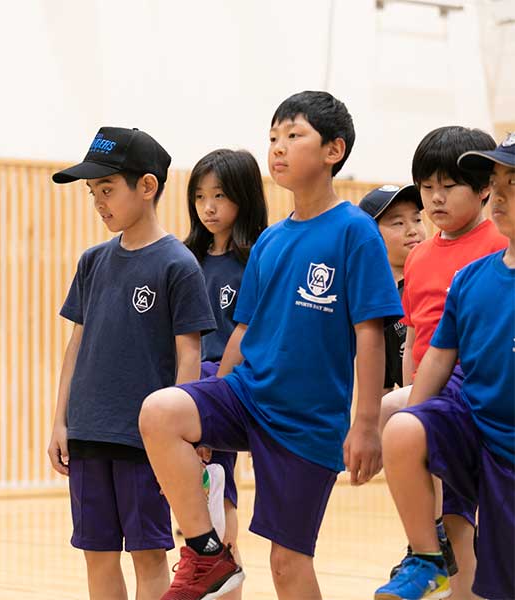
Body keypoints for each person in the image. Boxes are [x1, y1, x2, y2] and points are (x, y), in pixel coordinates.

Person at [140, 91, 402, 599]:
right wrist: (208, 403)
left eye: (293, 135)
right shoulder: (270, 241)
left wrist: (366, 425)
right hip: (247, 396)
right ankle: (207, 554)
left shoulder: (355, 232)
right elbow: (241, 331)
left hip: (308, 421)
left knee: (287, 563)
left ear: (333, 150)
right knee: (162, 411)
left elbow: (370, 335)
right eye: (273, 138)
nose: (278, 148)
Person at [47, 126, 217, 600]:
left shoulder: (177, 264)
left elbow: (190, 354)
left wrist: (187, 430)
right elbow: (76, 346)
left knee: (149, 557)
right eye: (93, 192)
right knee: (97, 557)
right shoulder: (92, 261)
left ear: (146, 187)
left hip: (144, 441)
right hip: (87, 433)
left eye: (108, 189)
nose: (100, 202)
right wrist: (60, 421)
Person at [374, 133, 515, 600]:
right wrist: (419, 410)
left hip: (491, 421)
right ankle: (427, 550)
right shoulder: (452, 270)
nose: (500, 194)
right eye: (498, 181)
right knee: (401, 423)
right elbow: (427, 347)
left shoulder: (487, 244)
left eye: (513, 183)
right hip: (462, 410)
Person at [182, 148, 269, 600]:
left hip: (225, 387)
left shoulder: (256, 258)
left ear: (244, 197)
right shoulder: (186, 258)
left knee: (220, 494)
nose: (208, 207)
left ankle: (227, 584)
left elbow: (251, 336)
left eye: (219, 195)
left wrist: (220, 388)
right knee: (191, 502)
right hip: (185, 386)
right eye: (199, 196)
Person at [357, 184, 426, 396]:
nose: (412, 230)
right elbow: (382, 391)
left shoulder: (435, 282)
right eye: (398, 223)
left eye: (417, 219)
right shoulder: (375, 302)